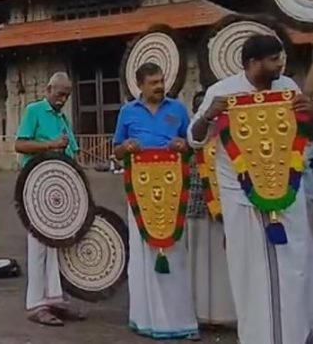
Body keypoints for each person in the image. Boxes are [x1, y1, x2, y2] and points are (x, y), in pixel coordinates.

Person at [189, 34, 313, 344]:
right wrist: (208, 114)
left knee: (295, 266)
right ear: (252, 63)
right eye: (273, 59)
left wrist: (309, 110)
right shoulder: (222, 92)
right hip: (241, 198)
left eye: (280, 57)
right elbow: (194, 138)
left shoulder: (288, 88)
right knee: (251, 274)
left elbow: (305, 133)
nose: (280, 64)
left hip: (287, 191)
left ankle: (295, 336)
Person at [112, 63, 199, 340]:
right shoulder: (127, 112)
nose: (159, 87)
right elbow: (116, 150)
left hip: (174, 187)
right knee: (142, 253)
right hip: (140, 188)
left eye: (161, 81)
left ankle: (181, 320)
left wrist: (184, 147)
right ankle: (146, 318)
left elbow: (191, 145)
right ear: (140, 85)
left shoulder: (178, 109)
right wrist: (126, 148)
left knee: (177, 251)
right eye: (153, 83)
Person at [14, 72, 82, 326]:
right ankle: (35, 304)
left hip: (59, 189)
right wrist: (50, 145)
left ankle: (56, 300)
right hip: (35, 186)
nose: (62, 99)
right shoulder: (34, 111)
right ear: (48, 88)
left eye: (66, 96)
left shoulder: (63, 118)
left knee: (59, 244)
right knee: (38, 245)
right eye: (59, 94)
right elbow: (20, 145)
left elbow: (72, 151)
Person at [186, 91, 236, 328]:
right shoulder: (194, 131)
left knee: (222, 259)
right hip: (197, 202)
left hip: (223, 203)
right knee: (198, 259)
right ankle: (197, 312)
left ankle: (225, 314)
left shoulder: (227, 129)